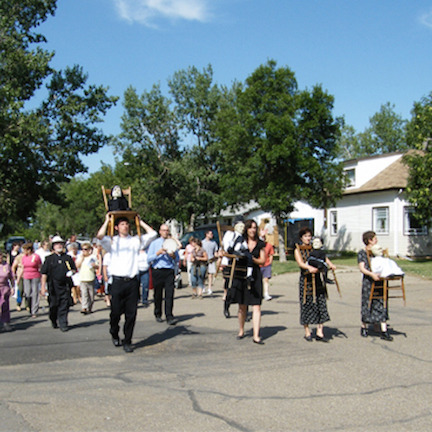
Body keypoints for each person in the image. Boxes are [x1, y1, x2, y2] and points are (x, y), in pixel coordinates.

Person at [97, 214, 157, 353]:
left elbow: (153, 234)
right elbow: (100, 236)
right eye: (122, 224)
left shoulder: (135, 241)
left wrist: (140, 221)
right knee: (115, 313)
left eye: (127, 224)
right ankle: (114, 332)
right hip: (117, 282)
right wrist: (107, 221)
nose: (126, 226)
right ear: (117, 227)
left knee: (131, 314)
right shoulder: (112, 241)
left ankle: (128, 340)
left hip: (132, 282)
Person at [226, 219, 266, 344]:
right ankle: (241, 330)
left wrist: (252, 259)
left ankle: (256, 335)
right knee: (242, 306)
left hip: (254, 275)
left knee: (256, 305)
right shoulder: (240, 240)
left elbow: (262, 261)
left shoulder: (260, 243)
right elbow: (230, 251)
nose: (252, 230)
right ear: (246, 229)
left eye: (254, 228)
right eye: (250, 228)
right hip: (240, 274)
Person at [294, 227, 336, 342]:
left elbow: (324, 258)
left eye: (309, 236)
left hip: (317, 278)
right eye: (306, 236)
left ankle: (320, 331)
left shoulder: (315, 247)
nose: (308, 238)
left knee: (320, 302)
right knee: (306, 303)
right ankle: (307, 331)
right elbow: (300, 263)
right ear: (301, 237)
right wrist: (309, 267)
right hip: (306, 279)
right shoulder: (298, 249)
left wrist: (330, 265)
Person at [358, 231, 393, 341]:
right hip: (369, 281)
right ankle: (364, 326)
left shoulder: (378, 251)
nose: (377, 240)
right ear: (369, 240)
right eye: (375, 238)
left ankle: (384, 330)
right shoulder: (362, 252)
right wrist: (371, 274)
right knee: (367, 303)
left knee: (381, 303)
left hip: (380, 281)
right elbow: (362, 268)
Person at [41, 236, 76, 332]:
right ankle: (53, 319)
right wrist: (43, 287)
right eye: (57, 244)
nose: (59, 245)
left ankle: (63, 323)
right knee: (53, 306)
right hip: (53, 286)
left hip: (65, 286)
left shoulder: (67, 258)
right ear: (53, 246)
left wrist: (71, 272)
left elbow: (73, 269)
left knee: (64, 305)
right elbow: (44, 273)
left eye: (60, 243)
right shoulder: (49, 259)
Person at [147, 224, 180, 326]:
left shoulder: (172, 243)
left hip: (169, 271)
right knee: (158, 294)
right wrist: (158, 253)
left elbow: (177, 259)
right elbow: (148, 259)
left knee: (169, 294)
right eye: (164, 230)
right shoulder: (154, 243)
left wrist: (173, 256)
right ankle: (158, 313)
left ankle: (169, 316)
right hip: (158, 270)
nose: (166, 232)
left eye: (167, 230)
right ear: (160, 231)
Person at [76, 242, 99, 314]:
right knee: (84, 293)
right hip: (82, 278)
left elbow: (97, 266)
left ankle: (89, 307)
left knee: (91, 295)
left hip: (90, 278)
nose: (83, 251)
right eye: (82, 249)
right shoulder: (80, 256)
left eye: (85, 249)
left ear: (89, 250)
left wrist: (94, 265)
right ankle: (84, 307)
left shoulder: (93, 257)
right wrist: (81, 259)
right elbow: (77, 265)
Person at [21, 243, 42, 318]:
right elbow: (22, 268)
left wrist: (42, 277)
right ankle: (29, 306)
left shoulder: (36, 257)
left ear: (29, 250)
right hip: (26, 276)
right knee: (27, 293)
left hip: (35, 276)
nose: (23, 251)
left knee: (35, 293)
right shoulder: (24, 257)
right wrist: (19, 277)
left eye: (25, 250)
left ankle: (34, 311)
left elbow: (40, 266)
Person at [0, 250, 15, 331]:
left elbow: (11, 277)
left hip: (4, 287)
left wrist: (13, 287)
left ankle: (5, 323)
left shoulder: (6, 265)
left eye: (1, 255)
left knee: (5, 305)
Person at [202, 230, 218, 295]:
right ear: (206, 234)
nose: (212, 235)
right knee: (203, 274)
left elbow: (215, 252)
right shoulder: (202, 242)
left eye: (212, 234)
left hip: (211, 260)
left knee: (210, 274)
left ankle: (209, 288)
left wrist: (217, 257)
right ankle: (203, 287)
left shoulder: (214, 243)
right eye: (210, 234)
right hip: (203, 260)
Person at [260, 232, 274, 301]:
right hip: (258, 264)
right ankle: (258, 294)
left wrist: (270, 263)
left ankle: (266, 293)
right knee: (258, 280)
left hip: (266, 265)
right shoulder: (257, 245)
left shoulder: (268, 245)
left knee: (266, 280)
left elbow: (271, 254)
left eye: (264, 237)